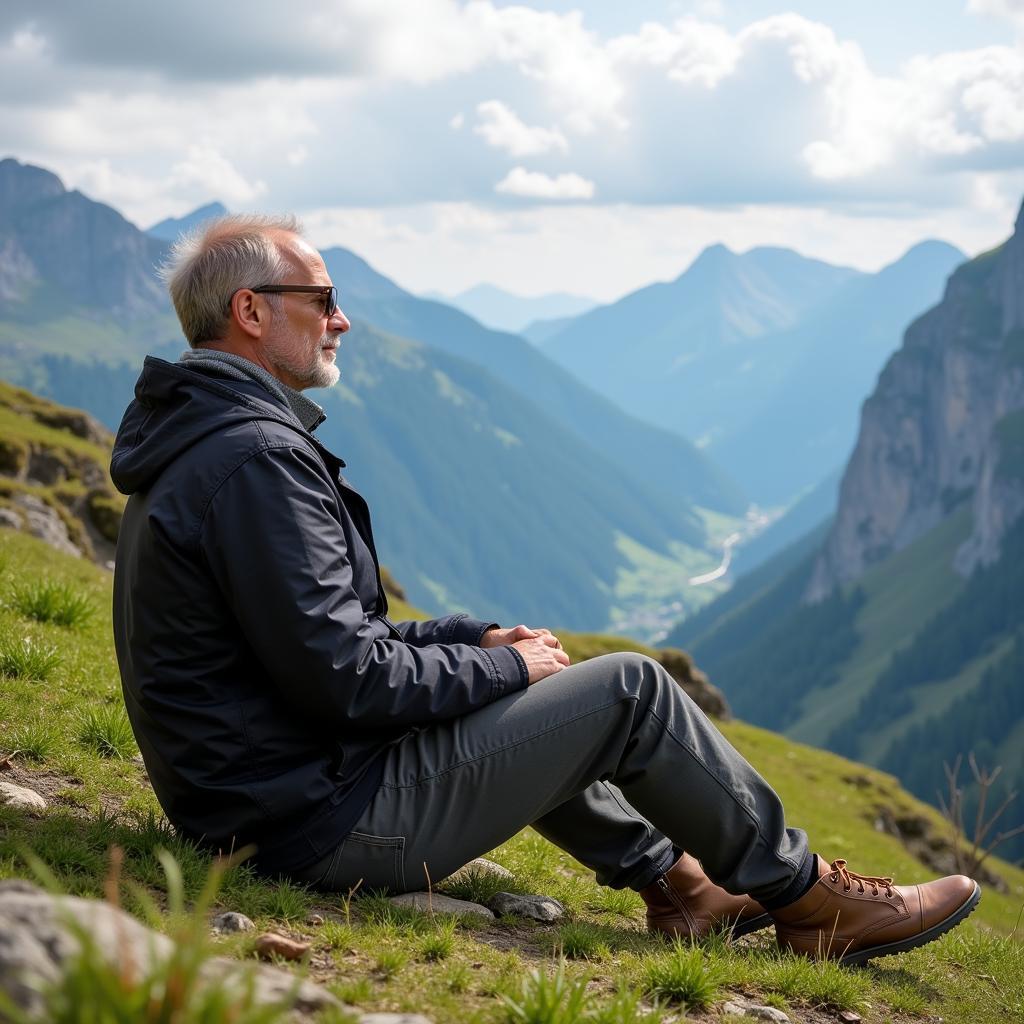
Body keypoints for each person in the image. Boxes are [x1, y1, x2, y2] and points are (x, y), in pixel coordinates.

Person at [110, 214, 979, 966]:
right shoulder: (256, 459)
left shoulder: (216, 440)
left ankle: (685, 888)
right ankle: (811, 900)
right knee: (628, 688)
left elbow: (325, 642)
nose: (343, 319)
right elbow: (346, 676)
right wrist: (508, 672)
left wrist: (474, 642)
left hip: (264, 804)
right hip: (311, 828)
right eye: (321, 299)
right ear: (251, 312)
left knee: (538, 686)